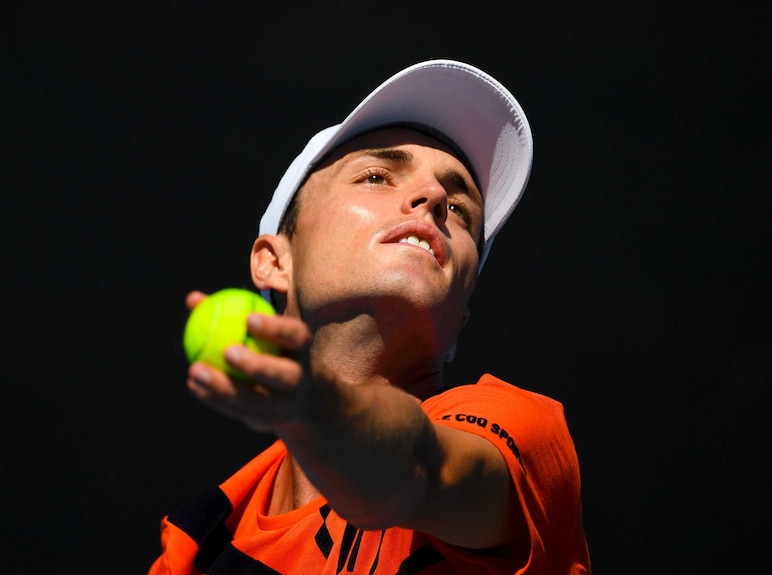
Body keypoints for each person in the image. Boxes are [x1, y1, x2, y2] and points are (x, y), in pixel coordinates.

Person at [148, 59, 591, 574]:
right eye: (377, 176)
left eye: (463, 211)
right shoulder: (192, 553)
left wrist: (319, 406)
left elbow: (418, 472)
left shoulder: (525, 431)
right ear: (274, 261)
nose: (435, 199)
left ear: (463, 313)